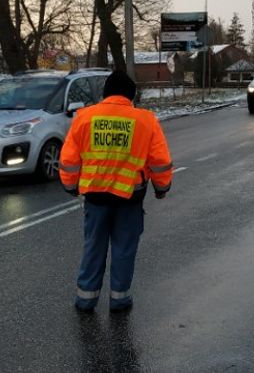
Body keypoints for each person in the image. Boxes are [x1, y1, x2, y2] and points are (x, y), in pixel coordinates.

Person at [59, 70, 173, 313]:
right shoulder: (145, 120)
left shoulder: (84, 117)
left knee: (94, 245)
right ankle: (119, 299)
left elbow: (69, 159)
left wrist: (70, 186)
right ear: (131, 96)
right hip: (129, 198)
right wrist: (161, 188)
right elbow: (159, 161)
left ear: (105, 94)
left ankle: (86, 299)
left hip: (95, 197)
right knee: (124, 248)